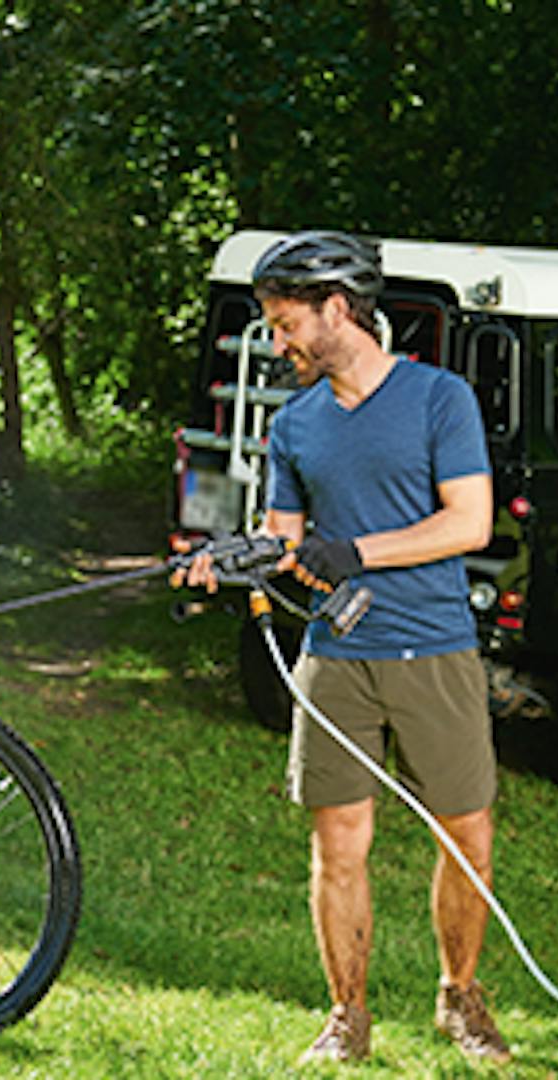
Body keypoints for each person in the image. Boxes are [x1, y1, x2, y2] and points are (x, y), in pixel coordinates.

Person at [180, 230, 510, 1066]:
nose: (278, 341)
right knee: (339, 844)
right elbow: (284, 541)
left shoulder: (440, 399)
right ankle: (347, 1016)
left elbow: (468, 523)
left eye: (287, 323)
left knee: (465, 835)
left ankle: (459, 998)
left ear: (337, 309)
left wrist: (355, 552)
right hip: (338, 657)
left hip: (434, 649)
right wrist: (226, 560)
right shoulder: (294, 427)